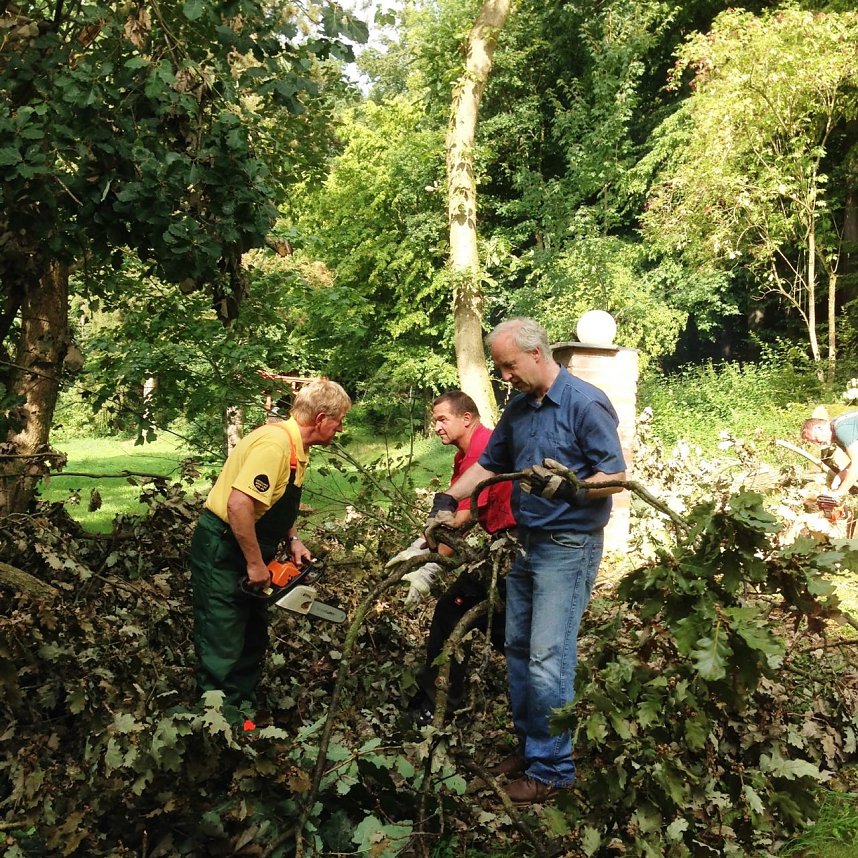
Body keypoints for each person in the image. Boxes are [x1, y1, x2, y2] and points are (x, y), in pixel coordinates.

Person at [424, 318, 626, 805]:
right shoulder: (518, 409)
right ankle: (533, 750)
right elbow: (489, 464)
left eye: (509, 365)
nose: (504, 376)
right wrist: (449, 500)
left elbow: (615, 476)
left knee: (547, 657)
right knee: (517, 650)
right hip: (526, 543)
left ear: (537, 354)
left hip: (569, 546)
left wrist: (572, 488)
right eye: (499, 367)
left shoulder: (584, 403)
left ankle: (553, 771)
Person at [189, 378, 351, 714]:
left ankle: (241, 713)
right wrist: (254, 564)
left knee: (252, 636)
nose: (340, 428)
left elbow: (275, 500)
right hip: (225, 547)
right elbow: (239, 505)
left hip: (250, 547)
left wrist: (293, 539)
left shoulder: (296, 449)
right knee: (222, 636)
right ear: (321, 418)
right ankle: (215, 720)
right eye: (339, 421)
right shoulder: (275, 446)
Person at [390, 390, 515, 726]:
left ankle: (440, 708)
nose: (437, 427)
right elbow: (454, 520)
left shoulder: (484, 449)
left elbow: (460, 523)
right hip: (502, 545)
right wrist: (417, 547)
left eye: (443, 419)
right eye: (435, 421)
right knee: (487, 620)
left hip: (515, 547)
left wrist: (426, 565)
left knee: (456, 610)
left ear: (466, 418)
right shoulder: (464, 457)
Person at [801, 411, 858, 498]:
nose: (818, 444)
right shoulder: (837, 435)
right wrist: (841, 475)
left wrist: (839, 492)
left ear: (818, 428)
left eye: (816, 440)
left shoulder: (841, 429)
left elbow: (856, 464)